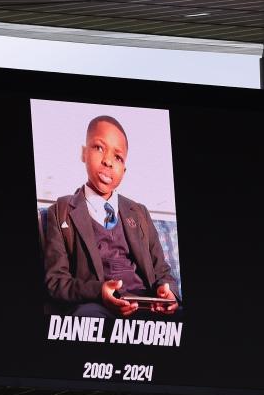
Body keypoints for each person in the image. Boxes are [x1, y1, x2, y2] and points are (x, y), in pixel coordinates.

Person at [42, 114, 179, 318]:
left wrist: (168, 293)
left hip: (145, 304)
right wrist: (99, 291)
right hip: (96, 305)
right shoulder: (60, 211)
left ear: (124, 170)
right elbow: (56, 281)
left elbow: (162, 271)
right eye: (99, 147)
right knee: (89, 319)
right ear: (83, 153)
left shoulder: (139, 213)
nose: (107, 161)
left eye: (118, 157)